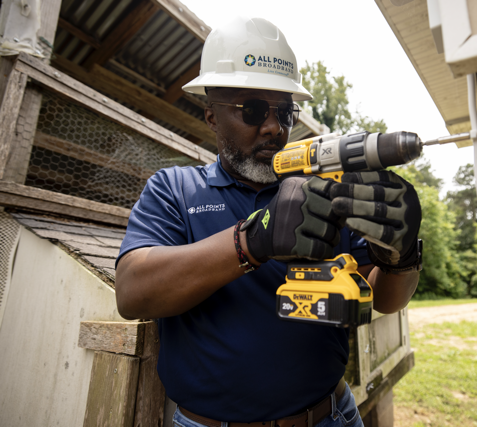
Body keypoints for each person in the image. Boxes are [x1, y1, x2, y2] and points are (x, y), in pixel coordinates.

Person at [115, 16, 421, 427]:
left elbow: (383, 299)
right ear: (211, 116)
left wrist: (401, 257)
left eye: (284, 111)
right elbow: (132, 294)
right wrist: (250, 242)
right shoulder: (175, 189)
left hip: (331, 416)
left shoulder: (323, 189)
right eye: (253, 109)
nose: (274, 126)